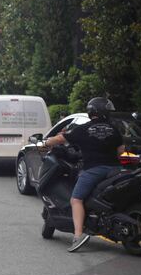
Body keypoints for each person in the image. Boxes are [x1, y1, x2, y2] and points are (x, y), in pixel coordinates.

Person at [42, 97, 125, 252]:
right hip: (116, 170)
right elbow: (120, 150)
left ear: (91, 111)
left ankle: (78, 235)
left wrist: (46, 143)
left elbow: (61, 138)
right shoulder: (113, 129)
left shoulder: (83, 129)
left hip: (94, 170)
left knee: (76, 199)